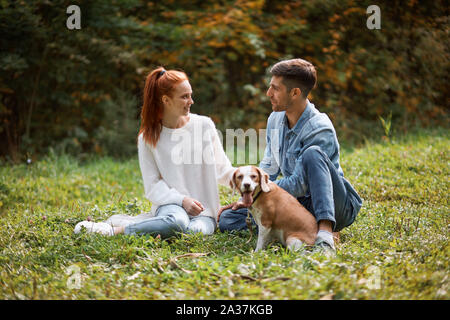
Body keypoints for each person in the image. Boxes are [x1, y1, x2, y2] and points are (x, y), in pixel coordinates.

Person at [218, 58, 362, 254]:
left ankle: (326, 234)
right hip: (296, 202)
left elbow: (300, 184)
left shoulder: (319, 127)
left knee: (313, 154)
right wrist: (248, 196)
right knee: (229, 218)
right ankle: (293, 230)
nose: (268, 94)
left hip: (332, 204)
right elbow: (268, 167)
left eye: (275, 89)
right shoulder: (275, 119)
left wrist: (262, 188)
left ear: (295, 93)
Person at [74, 67, 235, 238]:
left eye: (190, 95)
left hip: (204, 213)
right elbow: (152, 186)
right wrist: (182, 200)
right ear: (166, 100)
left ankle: (148, 226)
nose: (191, 101)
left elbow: (222, 169)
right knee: (177, 223)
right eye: (184, 96)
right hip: (171, 205)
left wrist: (251, 178)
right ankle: (115, 231)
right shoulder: (148, 138)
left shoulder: (204, 125)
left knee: (193, 232)